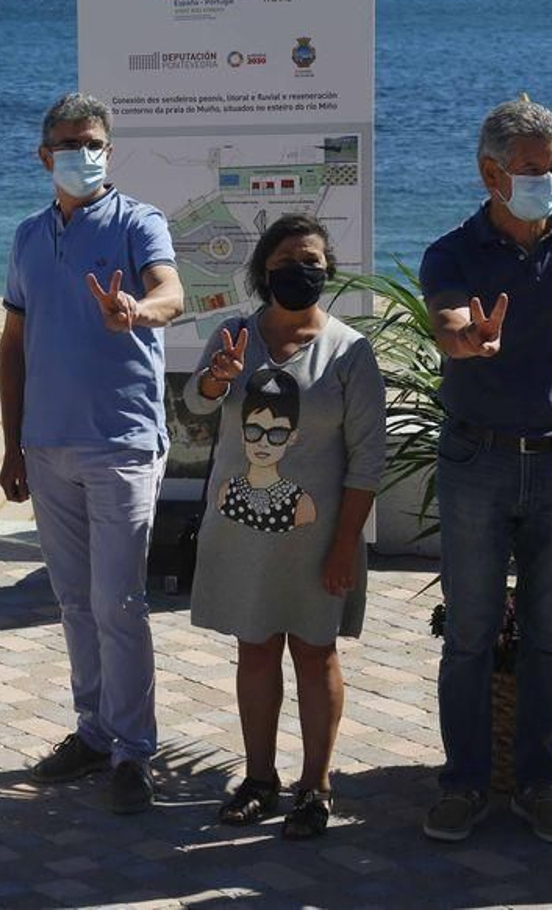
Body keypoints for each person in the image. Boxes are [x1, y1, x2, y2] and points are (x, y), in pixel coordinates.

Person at [420, 99, 552, 845]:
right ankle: (465, 784)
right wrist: (468, 340)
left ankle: (542, 784)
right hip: (476, 460)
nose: (549, 180)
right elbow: (447, 322)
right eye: (533, 169)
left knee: (551, 636)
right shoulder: (452, 251)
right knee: (470, 635)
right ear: (491, 172)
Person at [0, 92, 184, 813]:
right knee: (74, 601)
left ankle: (134, 750)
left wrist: (137, 309)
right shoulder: (25, 236)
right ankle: (94, 729)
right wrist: (13, 442)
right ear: (45, 155)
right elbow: (13, 344)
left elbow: (170, 290)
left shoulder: (139, 221)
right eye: (71, 144)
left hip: (122, 441)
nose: (85, 154)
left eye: (96, 142)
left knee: (120, 601)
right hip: (47, 445)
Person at [184, 214, 385, 839]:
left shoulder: (350, 350)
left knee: (316, 653)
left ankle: (316, 785)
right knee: (256, 648)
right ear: (264, 270)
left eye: (314, 262)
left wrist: (345, 545)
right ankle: (260, 778)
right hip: (242, 531)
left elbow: (368, 458)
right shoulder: (234, 334)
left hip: (320, 537)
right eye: (289, 261)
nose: (302, 271)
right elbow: (196, 404)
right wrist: (218, 376)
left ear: (327, 273)